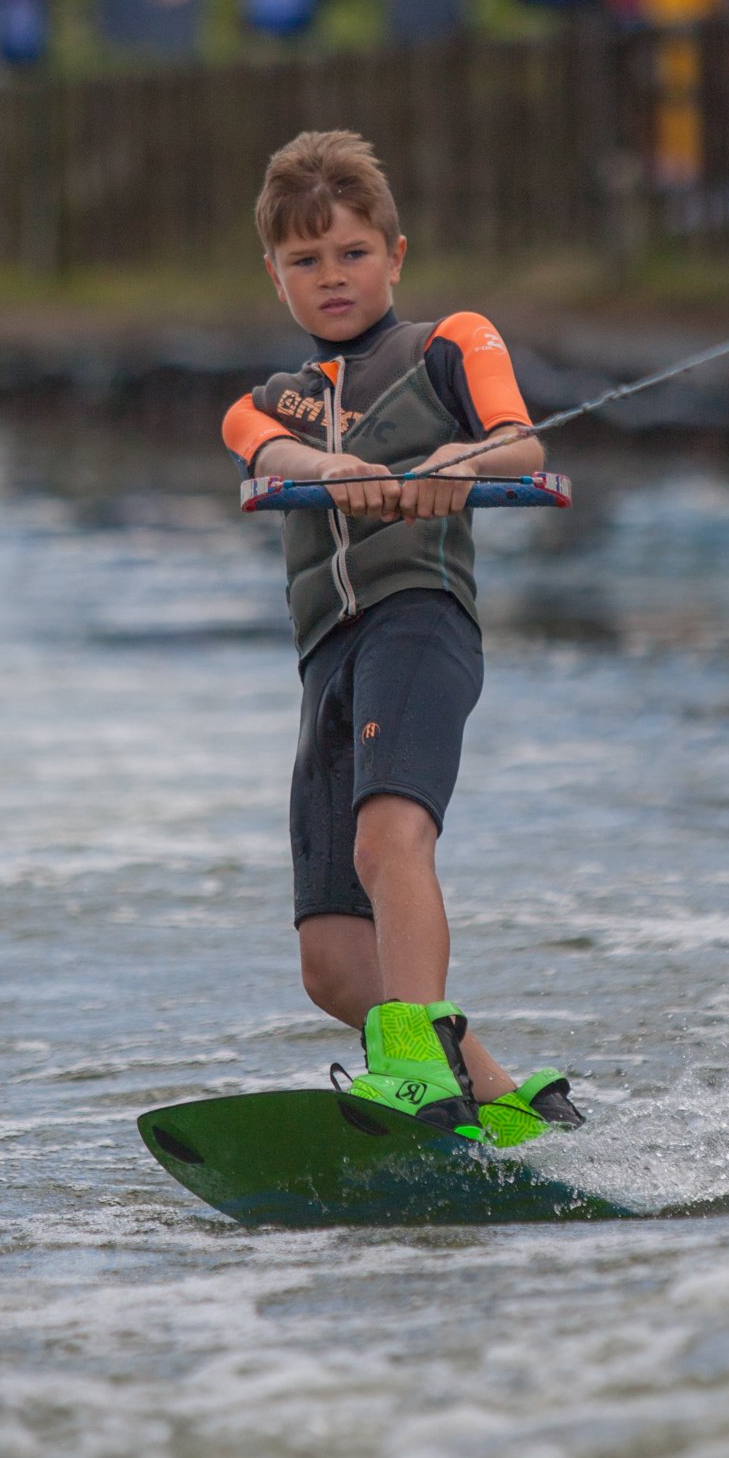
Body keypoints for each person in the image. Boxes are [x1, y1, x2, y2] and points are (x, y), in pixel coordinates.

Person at [222, 129, 584, 1148]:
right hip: (326, 660)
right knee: (334, 962)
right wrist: (333, 470)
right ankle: (507, 1103)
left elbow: (520, 441)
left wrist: (455, 463)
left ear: (395, 254)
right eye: (305, 259)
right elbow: (264, 449)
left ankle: (419, 1073)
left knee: (389, 841)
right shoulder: (265, 401)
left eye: (352, 252)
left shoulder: (449, 344)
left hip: (418, 625)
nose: (331, 276)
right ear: (274, 274)